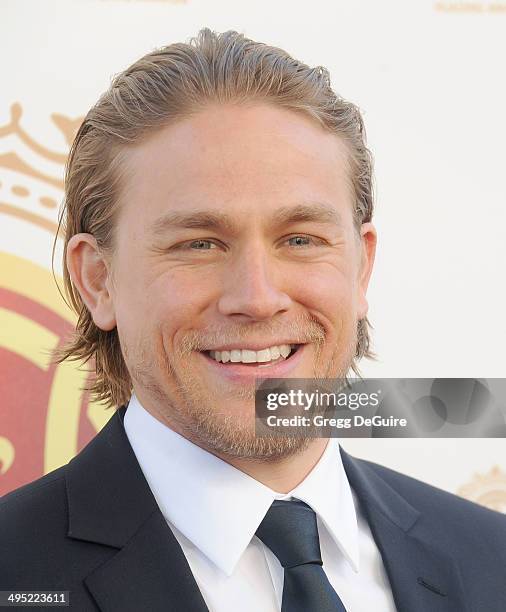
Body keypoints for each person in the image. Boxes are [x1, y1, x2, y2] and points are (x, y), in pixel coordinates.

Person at [1, 28, 505, 612]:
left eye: (300, 238)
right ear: (98, 280)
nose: (258, 298)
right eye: (199, 244)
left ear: (361, 266)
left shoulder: (491, 560)